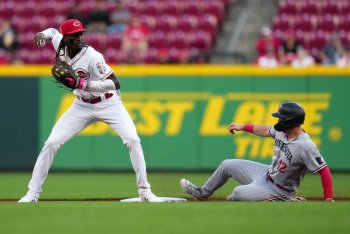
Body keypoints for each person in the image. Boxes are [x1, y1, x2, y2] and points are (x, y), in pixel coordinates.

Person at [18, 19, 163, 203]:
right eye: (75, 35)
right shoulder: (59, 43)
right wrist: (41, 35)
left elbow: (115, 82)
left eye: (81, 34)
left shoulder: (93, 56)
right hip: (81, 105)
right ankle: (32, 193)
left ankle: (145, 192)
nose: (79, 37)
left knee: (133, 139)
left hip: (108, 103)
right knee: (52, 142)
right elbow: (53, 32)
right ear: (66, 38)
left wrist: (84, 84)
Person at [180, 102, 334, 202]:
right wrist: (243, 126)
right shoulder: (282, 131)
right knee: (227, 164)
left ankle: (286, 200)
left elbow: (324, 170)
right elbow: (266, 129)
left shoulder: (306, 146)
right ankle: (203, 193)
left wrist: (328, 197)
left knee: (238, 193)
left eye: (281, 118)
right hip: (265, 173)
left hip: (279, 188)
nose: (278, 120)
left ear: (290, 121)